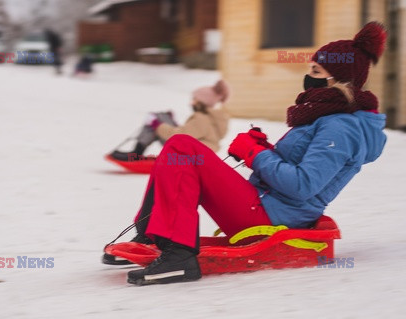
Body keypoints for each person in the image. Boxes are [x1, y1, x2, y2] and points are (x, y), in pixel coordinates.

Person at [103, 22, 388, 286]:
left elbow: (303, 185)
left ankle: (178, 256)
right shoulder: (326, 118)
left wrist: (253, 153)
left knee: (183, 146)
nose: (307, 78)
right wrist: (263, 147)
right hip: (264, 206)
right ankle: (151, 235)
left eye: (316, 72)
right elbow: (295, 166)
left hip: (272, 218)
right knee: (180, 148)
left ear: (341, 80)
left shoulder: (341, 127)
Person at [109, 79, 230, 162]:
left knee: (157, 118)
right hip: (197, 155)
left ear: (202, 102)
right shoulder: (208, 118)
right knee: (161, 117)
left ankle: (136, 153)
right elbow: (190, 134)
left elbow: (177, 136)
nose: (191, 102)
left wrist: (157, 125)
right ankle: (137, 152)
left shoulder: (201, 119)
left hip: (191, 158)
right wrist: (169, 121)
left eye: (194, 99)